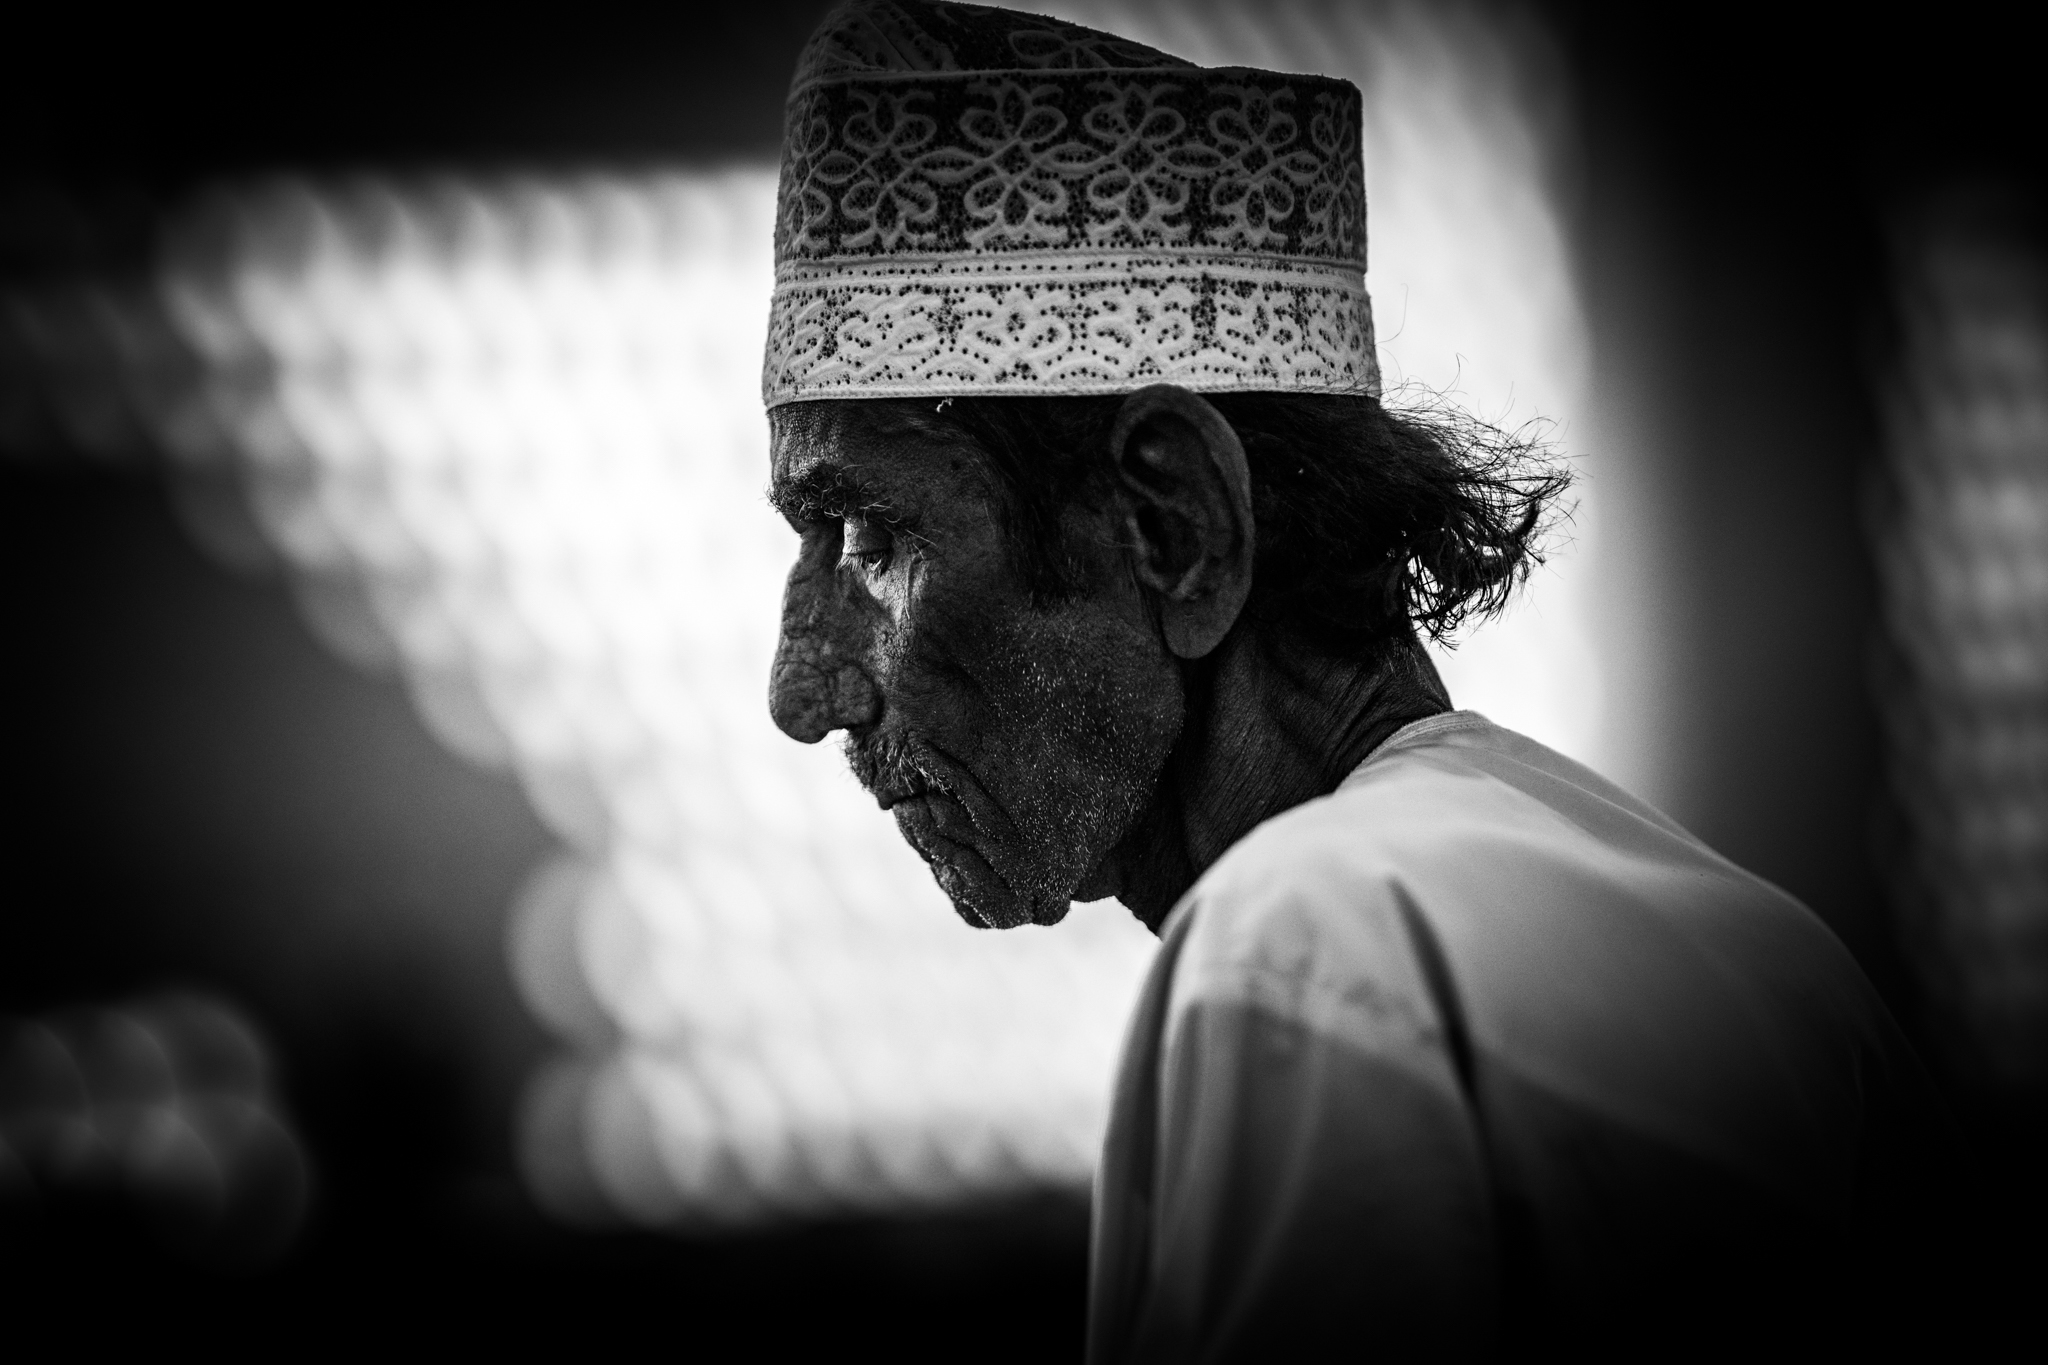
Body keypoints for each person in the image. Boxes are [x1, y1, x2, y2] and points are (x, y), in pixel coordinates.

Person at [761, 1, 1961, 1356]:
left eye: (871, 536)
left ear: (1171, 526)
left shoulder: (1306, 947)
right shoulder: (1780, 975)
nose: (802, 691)